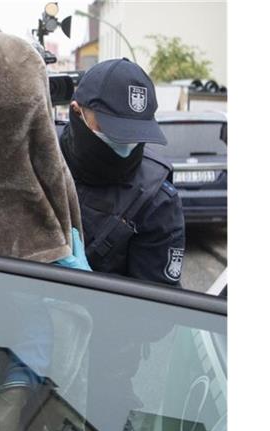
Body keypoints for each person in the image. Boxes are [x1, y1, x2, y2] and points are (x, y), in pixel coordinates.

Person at [58, 58, 186, 286]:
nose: (127, 143)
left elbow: (157, 309)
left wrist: (88, 288)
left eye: (134, 133)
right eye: (115, 132)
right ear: (78, 112)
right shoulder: (42, 159)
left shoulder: (157, 200)